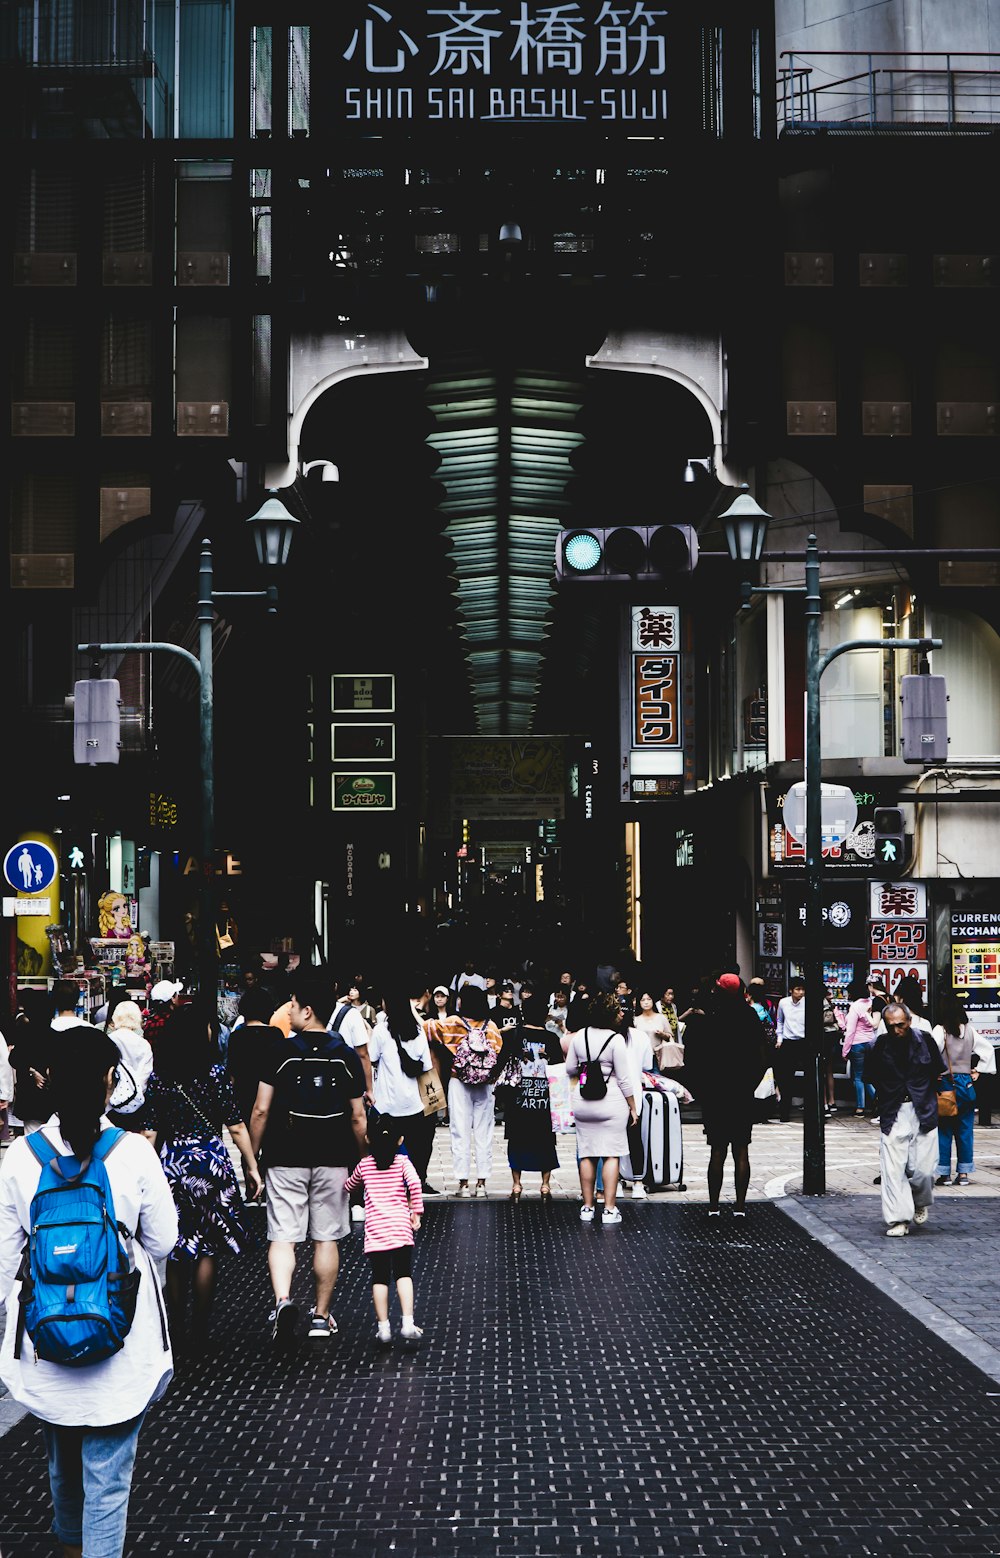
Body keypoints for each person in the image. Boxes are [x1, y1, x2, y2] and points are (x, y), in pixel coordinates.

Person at [0, 1027, 178, 1558]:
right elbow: (164, 1240)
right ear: (108, 1082)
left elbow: (6, 1262)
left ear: (48, 1081)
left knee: (64, 1464)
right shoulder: (134, 1155)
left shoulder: (19, 1159)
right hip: (119, 1343)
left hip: (46, 1344)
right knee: (108, 1478)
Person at [249, 972, 367, 1345]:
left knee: (283, 1236)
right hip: (334, 1156)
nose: (290, 1011)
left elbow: (261, 1110)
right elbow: (358, 1115)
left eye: (294, 1005)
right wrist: (363, 1158)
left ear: (308, 1010)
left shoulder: (280, 1052)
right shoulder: (345, 1055)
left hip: (285, 1155)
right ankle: (321, 1315)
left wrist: (252, 1158)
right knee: (325, 1238)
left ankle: (283, 1300)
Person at [143, 1002, 261, 1353]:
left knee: (178, 1248)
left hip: (174, 1163)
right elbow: (236, 1126)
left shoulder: (160, 1076)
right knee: (208, 1248)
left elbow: (149, 1133)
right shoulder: (215, 1073)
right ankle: (200, 1328)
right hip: (211, 1161)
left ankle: (176, 1325)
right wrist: (251, 1167)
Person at [684, 975, 770, 1219]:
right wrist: (749, 1083)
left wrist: (705, 1088)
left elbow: (696, 1060)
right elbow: (762, 1056)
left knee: (717, 1150)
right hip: (741, 1091)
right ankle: (740, 1206)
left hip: (716, 1093)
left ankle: (713, 1206)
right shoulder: (749, 1015)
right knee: (741, 1149)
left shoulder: (710, 1017)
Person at [345, 1114, 425, 1348]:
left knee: (380, 1279)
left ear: (368, 1138)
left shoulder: (365, 1166)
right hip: (400, 1228)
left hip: (376, 1232)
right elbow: (416, 1184)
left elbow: (350, 1185)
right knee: (403, 1274)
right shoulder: (402, 1163)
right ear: (400, 1140)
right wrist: (416, 1212)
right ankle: (408, 1322)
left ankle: (383, 1328)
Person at [563, 992, 639, 1225]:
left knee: (587, 1153)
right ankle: (608, 1209)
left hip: (583, 1100)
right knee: (611, 1153)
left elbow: (569, 1069)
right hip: (612, 1101)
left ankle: (587, 1207)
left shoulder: (579, 1037)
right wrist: (633, 1107)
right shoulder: (615, 1040)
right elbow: (625, 1079)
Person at [869, 1001, 943, 1235]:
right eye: (891, 1026)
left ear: (909, 1021)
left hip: (923, 1107)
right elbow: (871, 1076)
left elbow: (936, 1072)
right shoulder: (879, 1045)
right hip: (893, 1109)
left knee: (924, 1169)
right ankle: (898, 1219)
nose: (896, 1030)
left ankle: (919, 1200)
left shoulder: (926, 1040)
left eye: (900, 1025)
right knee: (892, 1169)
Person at [426, 984, 502, 1197]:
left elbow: (426, 1030)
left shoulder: (452, 1023)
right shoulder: (492, 1027)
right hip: (486, 1084)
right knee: (484, 1131)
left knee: (459, 1131)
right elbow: (498, 1051)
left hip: (458, 1081)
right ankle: (482, 1183)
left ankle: (463, 1184)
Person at [369, 983, 438, 1194]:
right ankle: (413, 1193)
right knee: (416, 1153)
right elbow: (427, 1066)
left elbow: (371, 1059)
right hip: (414, 1106)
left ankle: (389, 1192)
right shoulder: (417, 1031)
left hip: (387, 1107)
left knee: (386, 1154)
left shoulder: (381, 1031)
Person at [496, 993, 559, 1200]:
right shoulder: (552, 1039)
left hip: (517, 1099)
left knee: (516, 1141)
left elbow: (501, 1063)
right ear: (545, 1014)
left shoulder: (513, 1035)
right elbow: (558, 1070)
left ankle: (516, 1185)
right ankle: (545, 1185)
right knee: (546, 1142)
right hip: (544, 1100)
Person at [933, 990, 995, 1187]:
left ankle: (945, 1173)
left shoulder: (939, 1031)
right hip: (966, 1083)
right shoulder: (969, 1030)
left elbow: (931, 1056)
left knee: (944, 1129)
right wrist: (978, 1070)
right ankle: (964, 1173)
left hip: (946, 1084)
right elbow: (988, 1050)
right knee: (965, 1129)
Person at [105, 1000, 154, 1130]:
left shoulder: (108, 1040)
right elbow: (145, 1076)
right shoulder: (143, 1044)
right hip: (136, 1105)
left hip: (110, 1105)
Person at [842, 979, 879, 1116]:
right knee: (868, 1075)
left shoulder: (855, 1007)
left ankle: (860, 1107)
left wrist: (845, 1050)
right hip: (870, 1042)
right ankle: (878, 1101)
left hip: (857, 1044)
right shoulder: (871, 1003)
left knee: (858, 1077)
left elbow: (850, 1030)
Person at [774, 976, 806, 1121]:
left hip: (803, 1042)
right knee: (785, 1078)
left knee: (809, 1077)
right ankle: (784, 1112)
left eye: (802, 989)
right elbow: (780, 1021)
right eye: (798, 989)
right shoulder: (783, 1003)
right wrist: (779, 1038)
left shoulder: (807, 1003)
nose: (801, 993)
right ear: (791, 990)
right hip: (788, 1042)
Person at [822, 987, 845, 1117]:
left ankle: (824, 1102)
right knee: (829, 1070)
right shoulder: (829, 1003)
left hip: (823, 1037)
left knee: (820, 1070)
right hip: (832, 1037)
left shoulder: (816, 1002)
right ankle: (832, 1101)